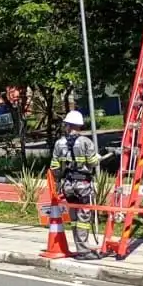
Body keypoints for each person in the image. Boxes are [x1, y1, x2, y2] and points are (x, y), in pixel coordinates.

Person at [50, 110, 100, 260]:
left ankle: (80, 247)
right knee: (83, 218)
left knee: (74, 218)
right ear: (79, 125)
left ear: (67, 125)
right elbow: (92, 163)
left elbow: (54, 167)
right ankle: (83, 251)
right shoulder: (86, 142)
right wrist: (96, 159)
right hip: (83, 184)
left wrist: (60, 180)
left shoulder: (59, 143)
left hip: (68, 185)